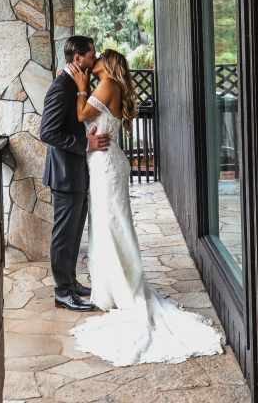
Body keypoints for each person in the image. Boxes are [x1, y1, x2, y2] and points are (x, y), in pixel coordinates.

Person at [64, 49, 223, 366]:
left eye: (97, 59)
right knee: (107, 225)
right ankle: (109, 287)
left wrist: (81, 86)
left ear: (107, 64)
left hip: (106, 164)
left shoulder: (107, 83)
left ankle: (123, 288)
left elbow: (82, 115)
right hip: (103, 162)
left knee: (112, 226)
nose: (91, 64)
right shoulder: (112, 85)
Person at [40, 36, 110, 312]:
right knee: (64, 235)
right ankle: (62, 291)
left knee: (73, 235)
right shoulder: (61, 87)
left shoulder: (75, 83)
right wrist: (86, 144)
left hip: (76, 174)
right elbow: (47, 132)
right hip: (65, 175)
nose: (95, 58)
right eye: (91, 54)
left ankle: (71, 282)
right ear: (79, 57)